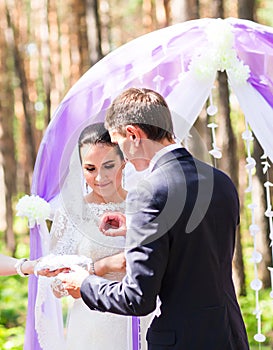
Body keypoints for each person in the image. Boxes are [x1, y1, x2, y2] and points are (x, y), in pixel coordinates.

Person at [57, 88, 250, 349]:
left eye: (120, 144)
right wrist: (137, 226)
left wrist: (85, 284)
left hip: (181, 341)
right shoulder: (221, 182)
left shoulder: (148, 194)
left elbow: (138, 298)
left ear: (134, 134)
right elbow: (197, 245)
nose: (123, 154)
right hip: (229, 335)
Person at [36, 122, 150, 350]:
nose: (100, 177)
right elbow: (57, 286)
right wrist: (104, 265)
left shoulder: (145, 204)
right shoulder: (71, 213)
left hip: (143, 321)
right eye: (90, 168)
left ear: (124, 162)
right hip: (93, 330)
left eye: (108, 166)